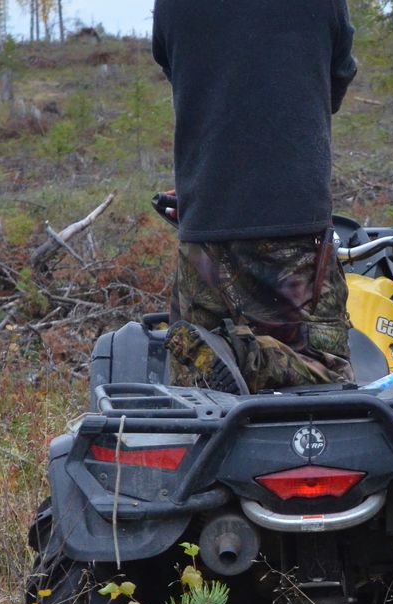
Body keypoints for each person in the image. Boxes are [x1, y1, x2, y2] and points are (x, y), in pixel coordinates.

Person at [152, 0, 359, 393]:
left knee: (200, 400)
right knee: (329, 383)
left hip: (204, 218)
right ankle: (241, 358)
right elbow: (337, 76)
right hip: (294, 219)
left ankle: (218, 355)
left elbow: (177, 71)